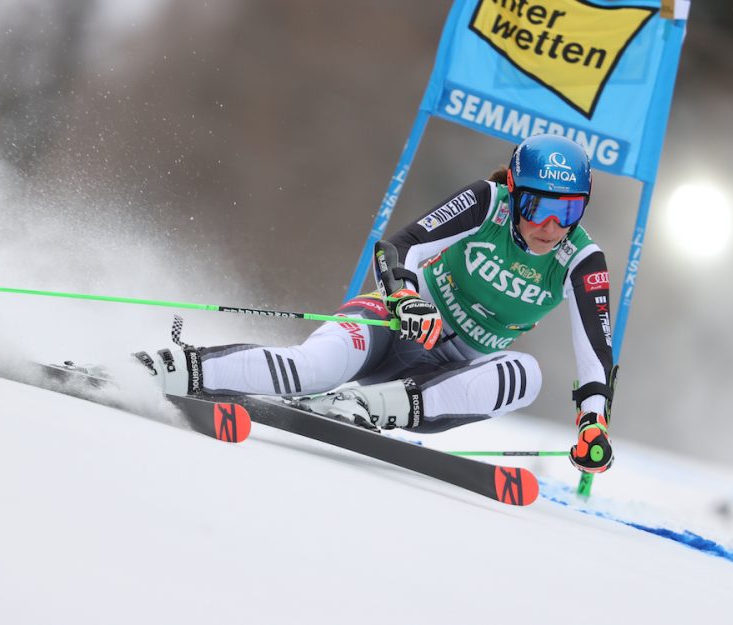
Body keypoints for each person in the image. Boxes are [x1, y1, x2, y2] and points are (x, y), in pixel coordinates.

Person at [136, 134, 616, 474]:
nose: (551, 225)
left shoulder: (582, 259)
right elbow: (394, 248)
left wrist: (593, 422)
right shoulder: (487, 202)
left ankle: (361, 405)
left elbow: (596, 354)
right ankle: (172, 366)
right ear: (515, 193)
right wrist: (406, 298)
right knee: (309, 369)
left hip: (437, 380)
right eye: (539, 206)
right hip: (394, 325)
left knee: (526, 375)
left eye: (569, 209)